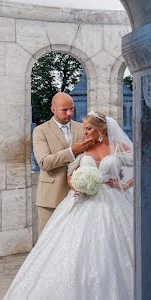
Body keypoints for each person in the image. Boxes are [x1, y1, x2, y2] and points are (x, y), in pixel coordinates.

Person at [0, 111, 136, 300]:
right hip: (81, 202)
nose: (85, 131)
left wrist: (125, 184)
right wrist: (75, 185)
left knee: (113, 255)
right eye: (86, 127)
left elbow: (141, 163)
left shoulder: (117, 146)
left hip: (112, 202)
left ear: (101, 131)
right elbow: (71, 173)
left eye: (89, 128)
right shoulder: (83, 147)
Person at [31, 92, 94, 234]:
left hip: (79, 196)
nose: (69, 113)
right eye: (64, 110)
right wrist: (73, 151)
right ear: (53, 109)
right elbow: (44, 162)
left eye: (72, 109)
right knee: (47, 243)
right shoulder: (40, 131)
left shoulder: (82, 128)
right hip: (50, 198)